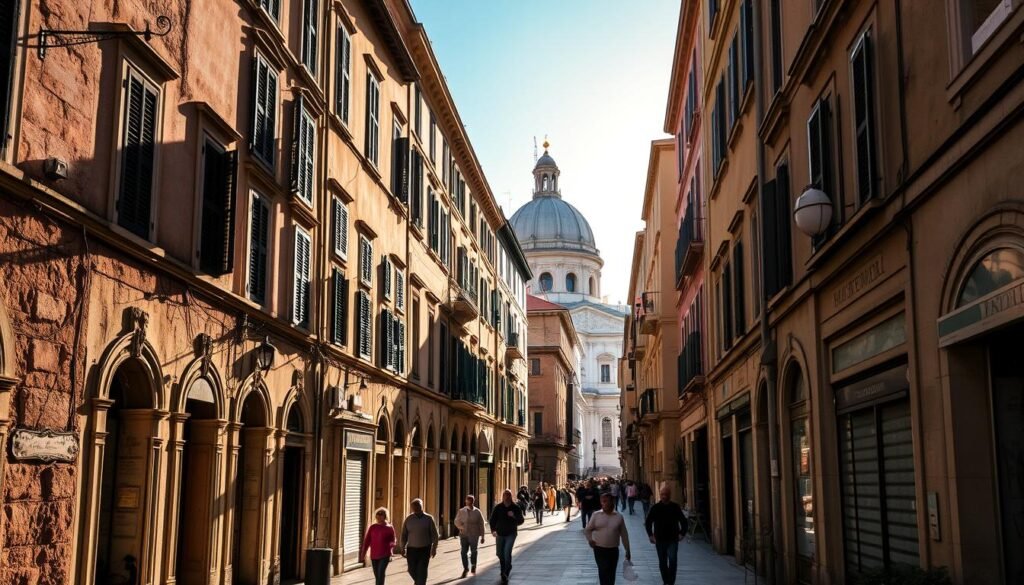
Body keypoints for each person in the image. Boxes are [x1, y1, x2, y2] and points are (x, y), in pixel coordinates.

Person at [584, 492, 632, 585]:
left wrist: (627, 549)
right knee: (603, 570)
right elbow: (587, 530)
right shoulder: (596, 515)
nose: (603, 503)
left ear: (611, 502)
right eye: (602, 501)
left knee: (611, 572)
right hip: (599, 549)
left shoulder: (619, 517)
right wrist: (590, 540)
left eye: (605, 501)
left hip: (613, 549)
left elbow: (624, 534)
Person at [645, 485, 687, 585]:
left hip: (673, 539)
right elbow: (648, 522)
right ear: (660, 495)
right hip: (660, 539)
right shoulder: (655, 508)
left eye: (666, 494)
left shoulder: (675, 507)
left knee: (672, 560)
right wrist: (650, 535)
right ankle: (666, 581)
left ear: (670, 495)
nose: (664, 496)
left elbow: (683, 521)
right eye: (662, 494)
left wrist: (682, 533)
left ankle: (671, 582)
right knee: (662, 562)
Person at [489, 489, 526, 584]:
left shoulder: (515, 507)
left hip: (511, 534)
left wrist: (514, 516)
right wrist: (493, 530)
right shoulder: (498, 507)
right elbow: (492, 520)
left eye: (508, 495)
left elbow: (521, 521)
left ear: (511, 497)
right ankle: (505, 568)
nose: (506, 497)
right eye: (505, 495)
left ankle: (505, 572)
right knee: (499, 553)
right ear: (503, 497)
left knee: (506, 552)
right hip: (500, 533)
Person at [400, 499, 439, 585]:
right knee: (411, 569)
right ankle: (419, 582)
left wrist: (434, 548)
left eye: (418, 506)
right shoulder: (408, 519)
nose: (416, 508)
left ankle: (420, 582)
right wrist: (402, 547)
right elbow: (404, 535)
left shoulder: (428, 518)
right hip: (411, 549)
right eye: (414, 507)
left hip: (425, 549)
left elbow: (434, 535)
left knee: (422, 569)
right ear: (412, 508)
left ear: (422, 506)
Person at [360, 507, 396, 585]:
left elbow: (393, 541)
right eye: (377, 514)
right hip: (374, 555)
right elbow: (367, 541)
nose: (379, 516)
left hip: (385, 555)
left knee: (380, 574)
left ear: (385, 516)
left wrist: (391, 550)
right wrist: (363, 553)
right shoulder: (373, 527)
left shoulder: (389, 528)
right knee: (377, 576)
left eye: (381, 514)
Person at [454, 495, 485, 578]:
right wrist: (461, 527)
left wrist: (482, 536)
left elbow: (481, 524)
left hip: (474, 535)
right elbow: (456, 521)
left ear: (473, 501)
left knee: (474, 551)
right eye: (468, 500)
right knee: (463, 552)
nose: (470, 502)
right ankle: (466, 568)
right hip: (464, 534)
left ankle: (473, 565)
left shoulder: (477, 512)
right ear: (466, 501)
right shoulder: (461, 511)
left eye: (472, 501)